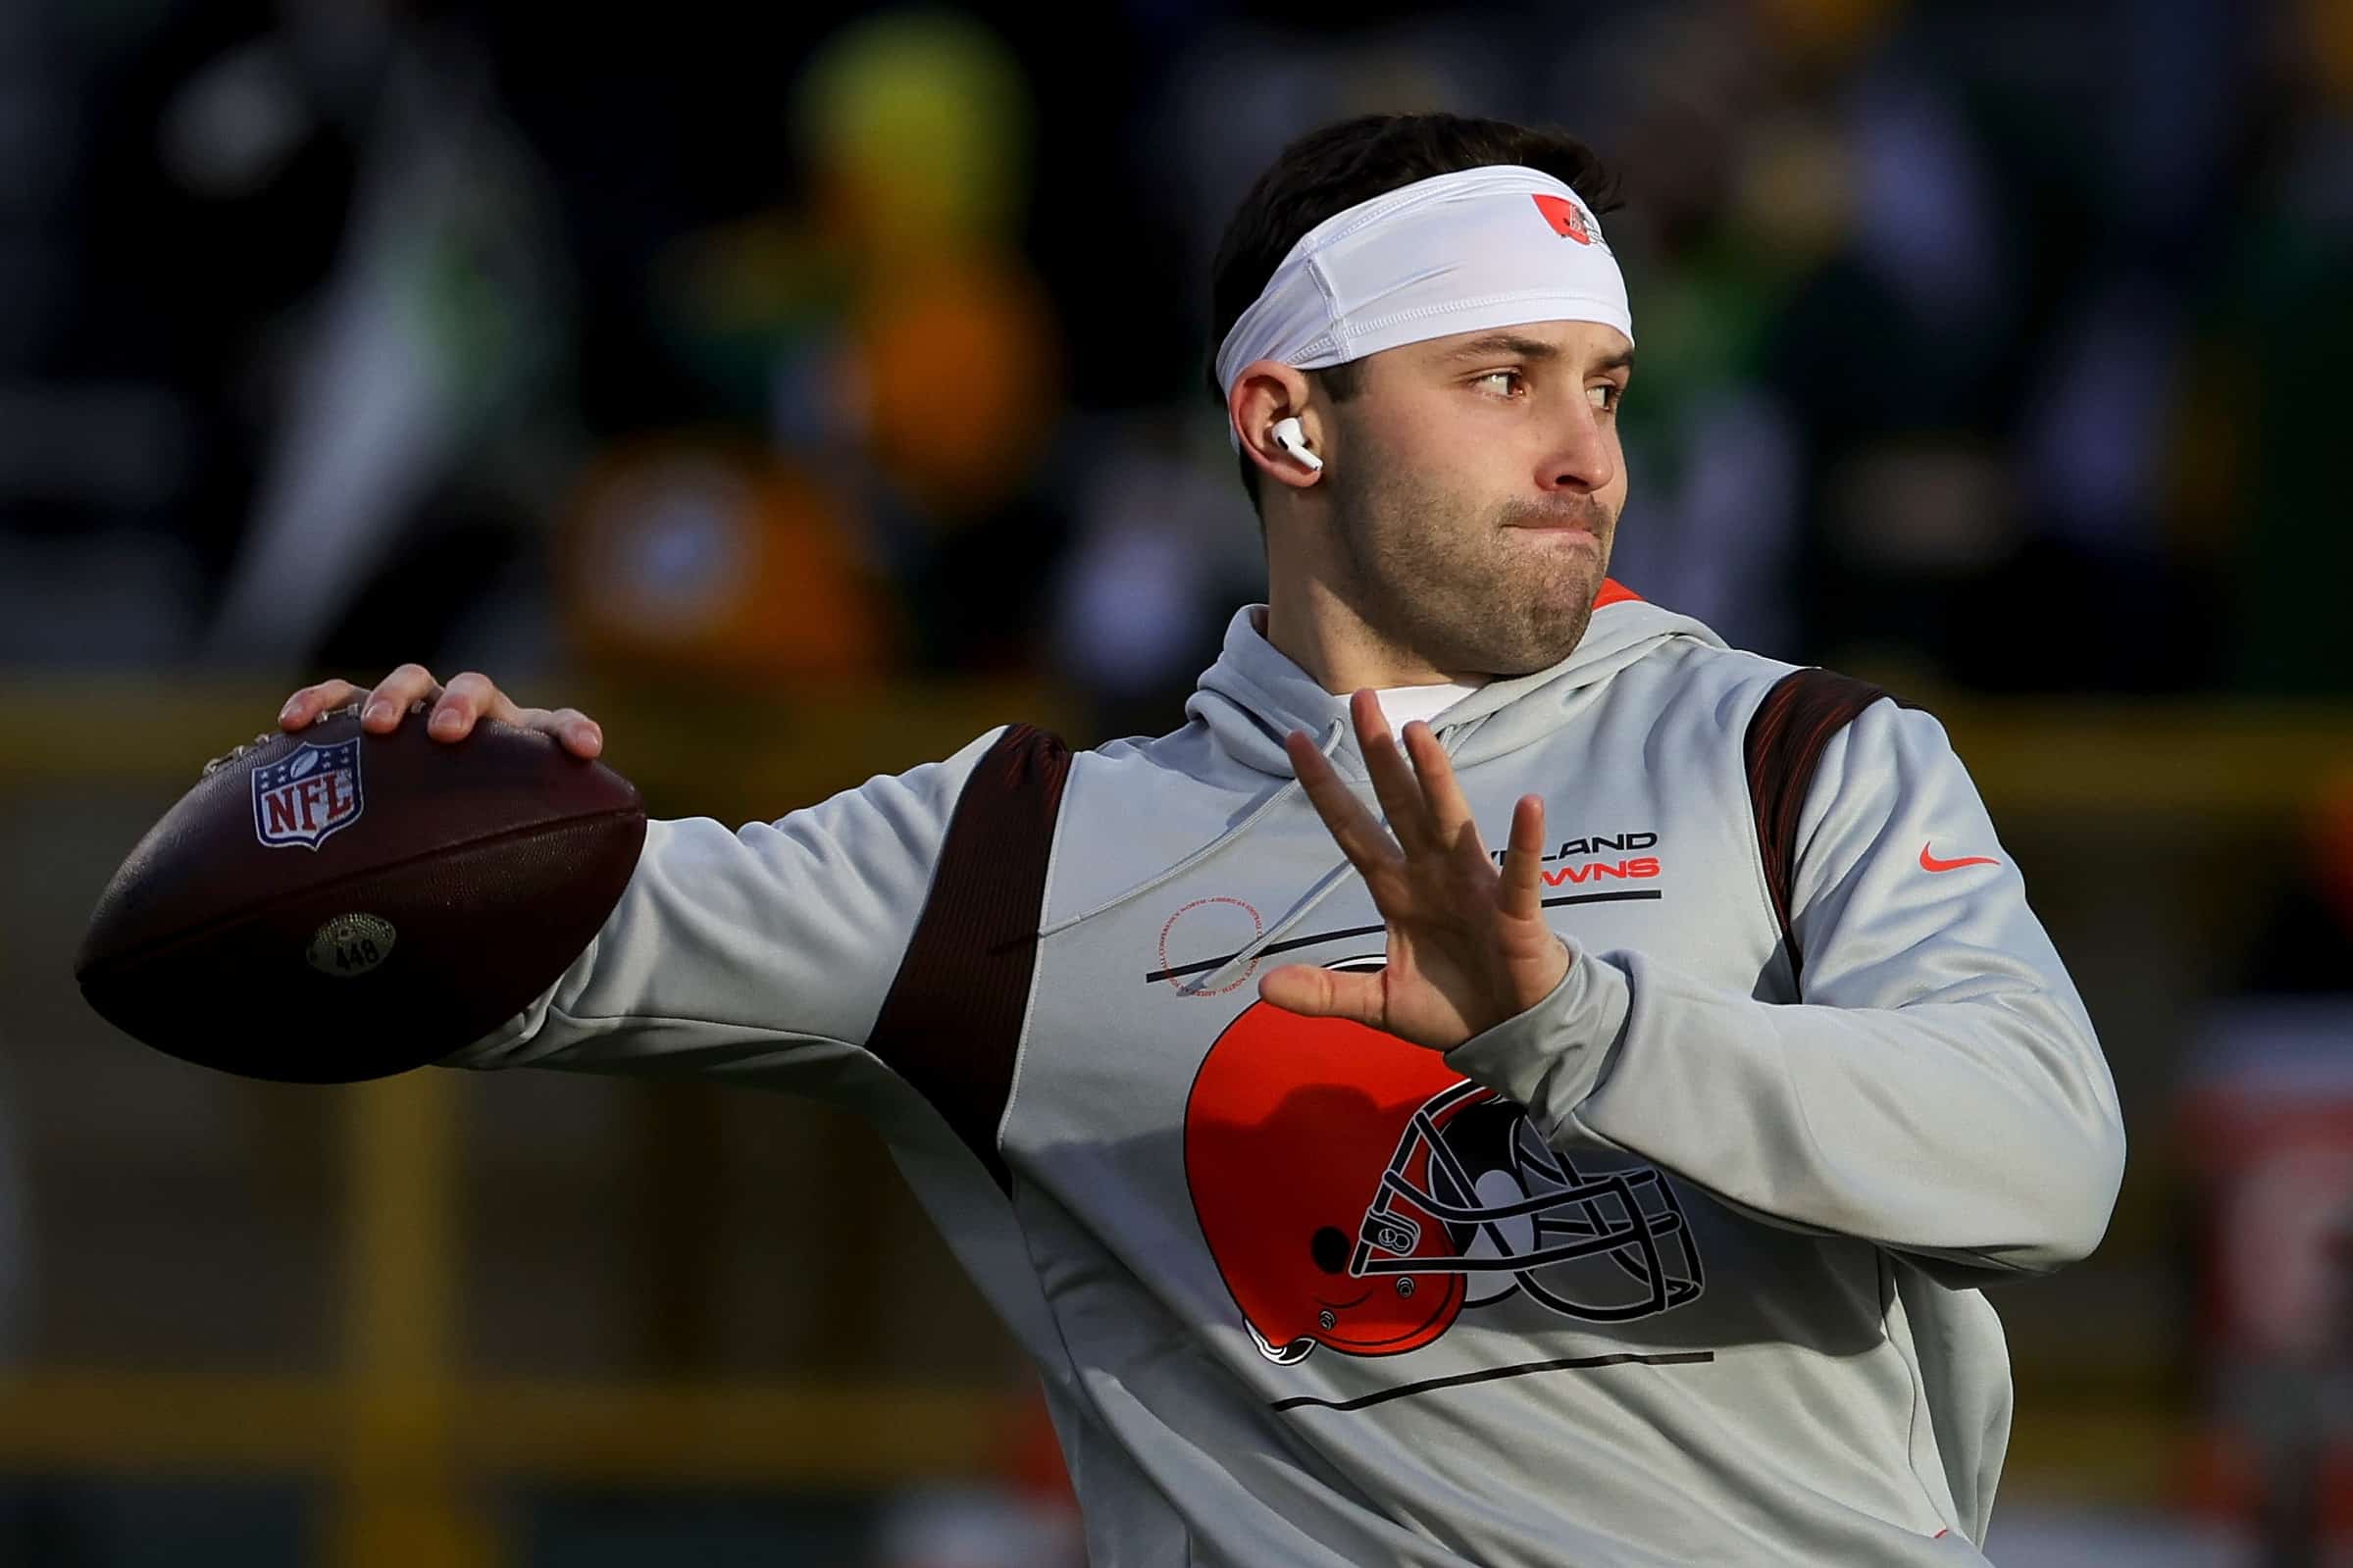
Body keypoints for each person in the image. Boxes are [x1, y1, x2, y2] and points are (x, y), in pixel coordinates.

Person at [268, 113, 2126, 1567]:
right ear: (1288, 423)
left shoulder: (1798, 755)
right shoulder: (1021, 860)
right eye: (1502, 379)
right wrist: (399, 793)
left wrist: (1572, 1025)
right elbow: (452, 936)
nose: (1591, 458)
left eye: (1604, 385)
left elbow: (2042, 1166)